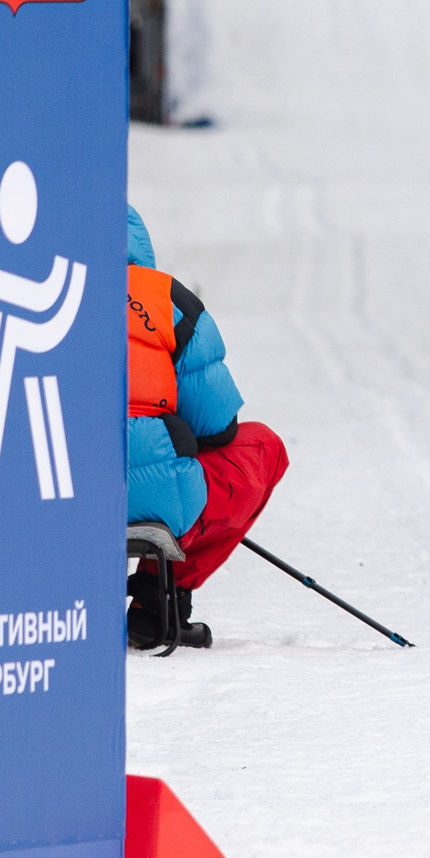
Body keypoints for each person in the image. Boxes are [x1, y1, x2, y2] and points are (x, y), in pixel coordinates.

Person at [124, 205, 291, 649]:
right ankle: (157, 605)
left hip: (48, 492)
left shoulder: (24, 295)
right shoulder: (164, 300)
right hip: (147, 501)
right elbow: (218, 427)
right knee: (263, 447)